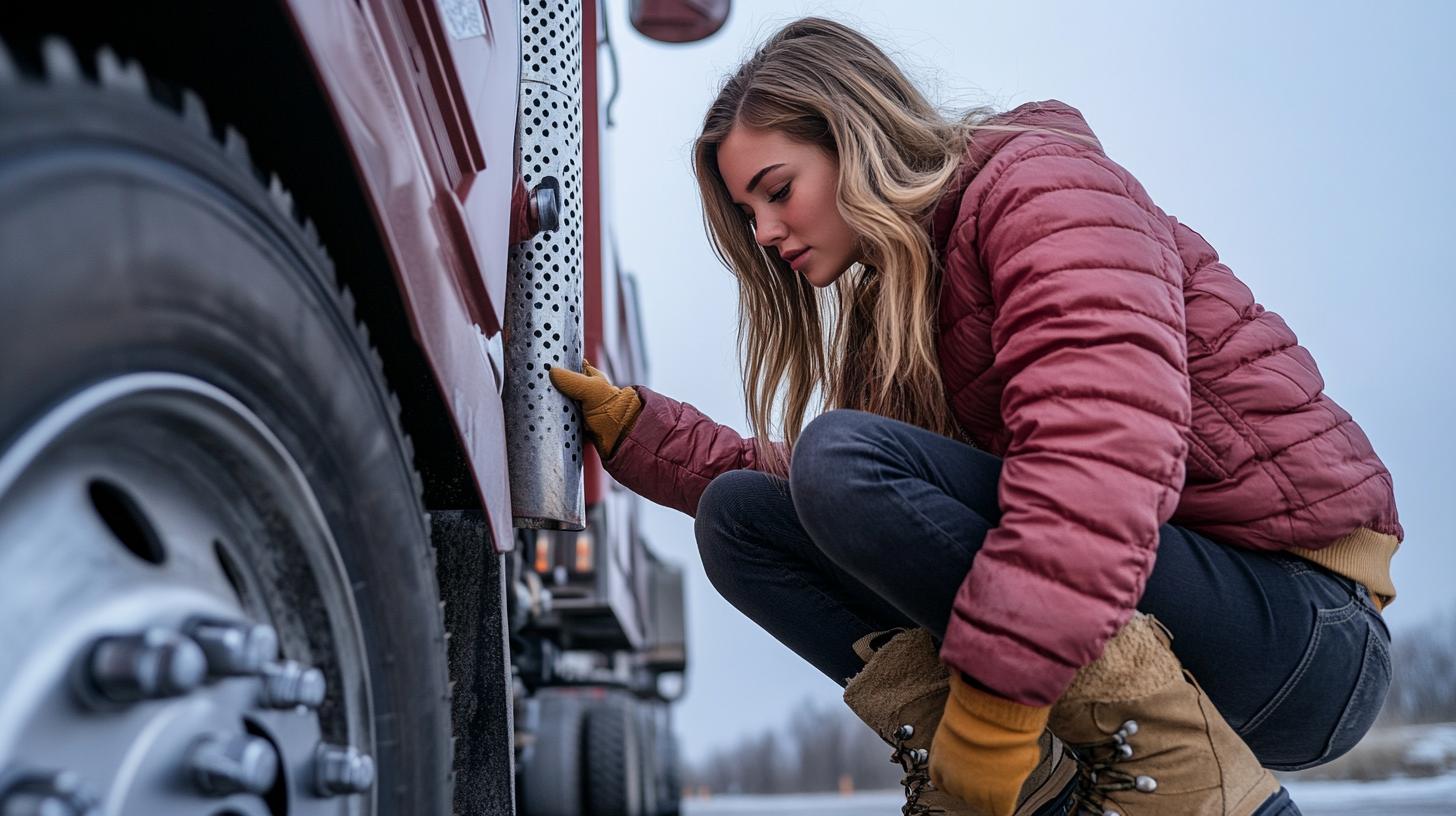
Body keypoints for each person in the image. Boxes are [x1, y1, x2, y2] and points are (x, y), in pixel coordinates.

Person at [551, 17, 1398, 816]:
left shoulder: (1039, 188)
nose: (766, 231)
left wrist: (995, 708)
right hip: (1152, 609)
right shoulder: (895, 306)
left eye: (777, 191)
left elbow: (1096, 462)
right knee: (742, 520)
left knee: (842, 459)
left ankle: (1188, 782)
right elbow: (865, 498)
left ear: (856, 138)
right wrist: (640, 431)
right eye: (748, 214)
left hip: (1301, 630)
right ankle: (1040, 790)